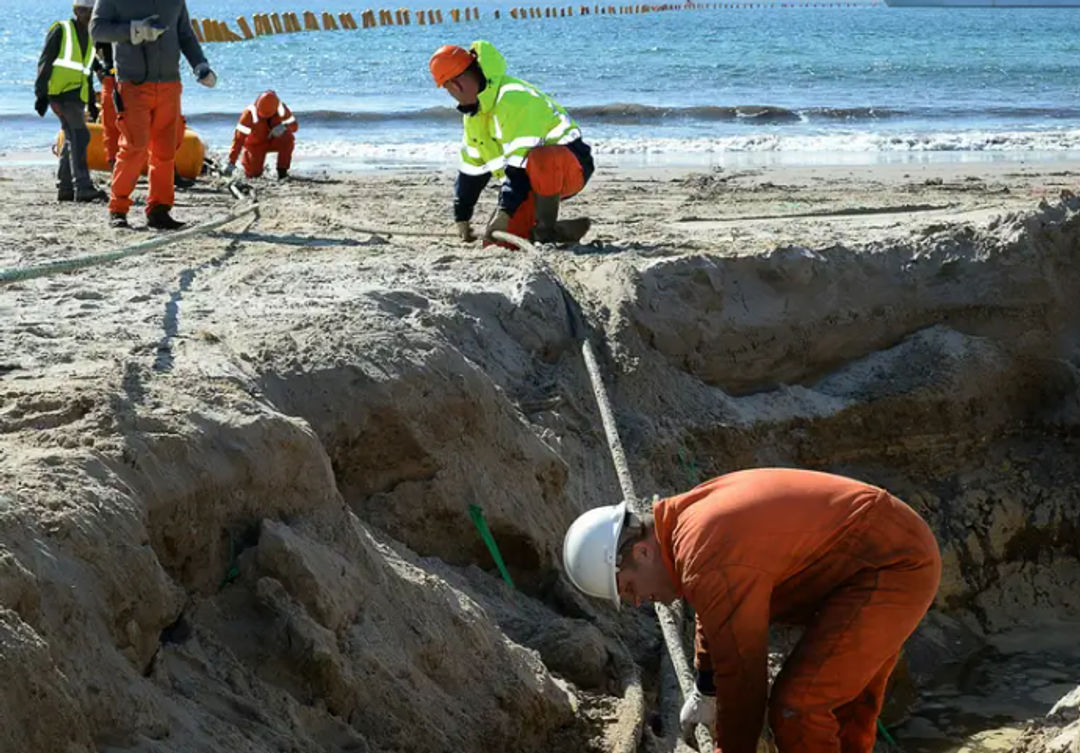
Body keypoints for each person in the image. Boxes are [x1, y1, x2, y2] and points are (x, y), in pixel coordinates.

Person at [562, 468, 942, 753]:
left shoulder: (704, 554)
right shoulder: (686, 525)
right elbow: (719, 616)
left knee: (801, 704)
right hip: (866, 560)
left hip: (893, 565)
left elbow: (744, 683)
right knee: (842, 713)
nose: (639, 601)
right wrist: (707, 689)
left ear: (641, 552)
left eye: (629, 588)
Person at [428, 41, 594, 245]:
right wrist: (462, 214)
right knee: (497, 242)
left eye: (447, 89)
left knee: (541, 158)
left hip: (568, 167)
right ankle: (561, 231)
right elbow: (472, 169)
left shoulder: (514, 99)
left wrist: (505, 213)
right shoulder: (474, 117)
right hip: (526, 183)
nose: (451, 95)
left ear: (456, 85)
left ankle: (546, 230)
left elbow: (520, 163)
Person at [90, 0, 216, 231]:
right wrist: (133, 30)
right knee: (134, 147)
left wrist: (200, 66)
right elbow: (97, 29)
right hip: (133, 85)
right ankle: (118, 209)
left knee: (165, 150)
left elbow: (185, 34)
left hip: (169, 85)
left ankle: (159, 210)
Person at [34, 0, 108, 203]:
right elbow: (45, 61)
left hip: (77, 95)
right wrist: (40, 94)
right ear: (77, 11)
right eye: (88, 11)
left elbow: (88, 66)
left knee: (71, 137)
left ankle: (65, 188)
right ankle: (82, 187)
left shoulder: (92, 35)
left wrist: (93, 102)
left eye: (94, 12)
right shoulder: (61, 30)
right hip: (59, 93)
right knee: (80, 136)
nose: (92, 15)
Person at [223, 91, 298, 179]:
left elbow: (294, 127)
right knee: (253, 174)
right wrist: (231, 162)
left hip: (273, 140)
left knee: (287, 138)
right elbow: (239, 140)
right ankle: (251, 167)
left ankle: (282, 172)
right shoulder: (249, 114)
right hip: (255, 145)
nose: (265, 118)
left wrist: (284, 126)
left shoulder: (281, 108)